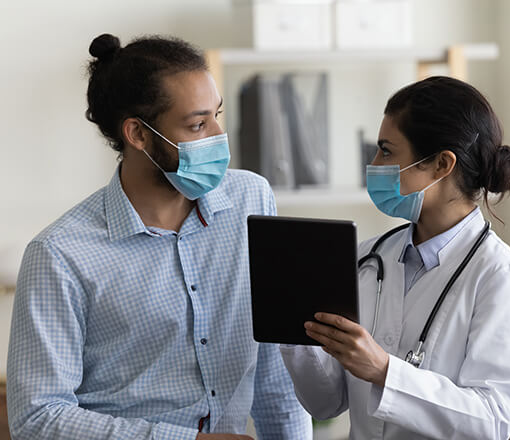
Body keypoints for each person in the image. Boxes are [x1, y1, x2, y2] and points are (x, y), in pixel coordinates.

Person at [7, 33, 311, 440]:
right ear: (138, 134)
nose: (220, 137)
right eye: (198, 124)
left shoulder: (250, 199)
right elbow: (37, 418)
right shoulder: (60, 254)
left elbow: (274, 370)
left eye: (217, 116)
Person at [280, 76, 510, 439]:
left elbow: (493, 419)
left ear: (441, 164)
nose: (373, 163)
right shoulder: (366, 258)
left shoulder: (503, 277)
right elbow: (326, 404)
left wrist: (385, 371)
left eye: (386, 151)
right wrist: (293, 326)